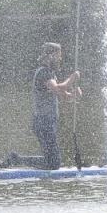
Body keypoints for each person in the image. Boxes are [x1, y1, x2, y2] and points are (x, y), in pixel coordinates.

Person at [31, 42, 81, 170]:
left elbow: (64, 96)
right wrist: (72, 78)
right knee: (55, 163)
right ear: (51, 56)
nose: (60, 59)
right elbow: (58, 87)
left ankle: (17, 159)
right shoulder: (43, 73)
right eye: (59, 56)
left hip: (49, 121)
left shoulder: (51, 74)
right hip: (43, 121)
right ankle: (16, 159)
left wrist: (74, 95)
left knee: (52, 161)